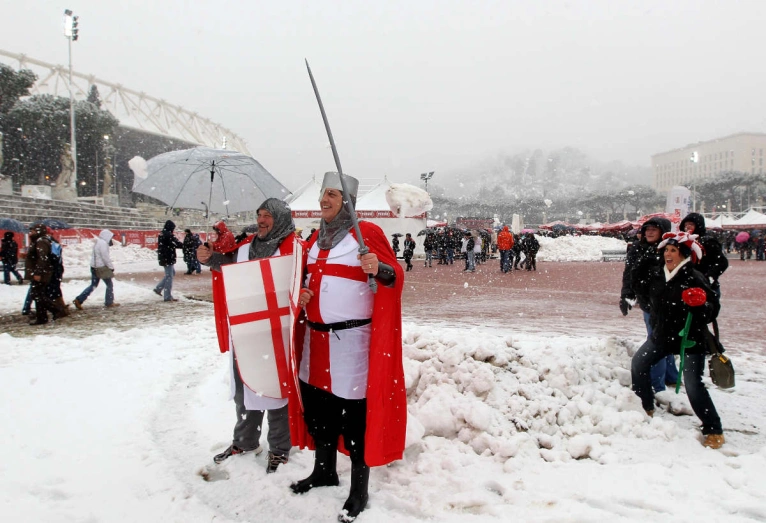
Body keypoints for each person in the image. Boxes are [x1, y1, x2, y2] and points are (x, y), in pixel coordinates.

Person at [289, 172, 406, 522]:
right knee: (319, 411)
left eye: (333, 195)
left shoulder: (366, 233)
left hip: (351, 343)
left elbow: (394, 276)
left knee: (354, 418)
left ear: (348, 203)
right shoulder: (313, 239)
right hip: (315, 339)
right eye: (323, 194)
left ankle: (359, 491)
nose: (324, 200)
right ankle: (324, 471)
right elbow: (303, 278)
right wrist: (303, 294)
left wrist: (379, 267)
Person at [198, 199, 297, 473]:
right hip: (245, 333)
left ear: (280, 219)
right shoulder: (245, 248)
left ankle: (279, 448)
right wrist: (208, 258)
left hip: (277, 335)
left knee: (275, 391)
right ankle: (245, 441)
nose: (262, 220)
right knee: (244, 389)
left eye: (268, 215)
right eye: (259, 215)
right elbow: (225, 263)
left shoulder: (294, 248)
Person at [631, 231, 724, 448]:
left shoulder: (693, 276)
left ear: (683, 255)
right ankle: (645, 406)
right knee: (638, 364)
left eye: (673, 250)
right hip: (662, 334)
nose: (668, 254)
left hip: (690, 337)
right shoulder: (657, 274)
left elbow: (713, 308)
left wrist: (701, 305)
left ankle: (713, 428)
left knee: (693, 384)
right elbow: (641, 289)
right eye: (666, 250)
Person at [620, 217, 677, 391]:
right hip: (648, 302)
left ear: (663, 232)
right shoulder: (638, 248)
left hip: (668, 302)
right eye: (647, 229)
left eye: (654, 229)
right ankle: (669, 377)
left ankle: (656, 385)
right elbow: (629, 273)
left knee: (657, 341)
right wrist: (626, 294)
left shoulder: (669, 250)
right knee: (661, 339)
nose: (649, 232)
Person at [679, 213, 728, 296]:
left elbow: (722, 262)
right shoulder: (682, 241)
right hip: (686, 284)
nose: (687, 227)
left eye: (691, 224)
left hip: (705, 285)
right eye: (686, 224)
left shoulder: (708, 241)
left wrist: (708, 276)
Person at [73, 229, 119, 309]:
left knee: (93, 285)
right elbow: (105, 257)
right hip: (101, 268)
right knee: (109, 285)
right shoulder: (103, 244)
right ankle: (109, 302)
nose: (111, 239)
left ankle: (79, 299)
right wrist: (111, 267)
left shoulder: (98, 242)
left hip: (94, 267)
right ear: (107, 236)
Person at [24, 223, 57, 325]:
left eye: (33, 231)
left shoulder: (41, 242)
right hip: (40, 273)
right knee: (38, 295)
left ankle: (56, 310)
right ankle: (42, 317)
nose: (31, 233)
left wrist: (37, 273)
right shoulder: (38, 241)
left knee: (37, 295)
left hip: (41, 274)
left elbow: (42, 259)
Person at [153, 220, 184, 302]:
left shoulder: (163, 233)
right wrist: (185, 245)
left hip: (164, 257)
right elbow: (175, 243)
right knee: (169, 276)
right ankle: (167, 296)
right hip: (167, 258)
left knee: (170, 274)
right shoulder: (168, 235)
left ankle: (158, 288)